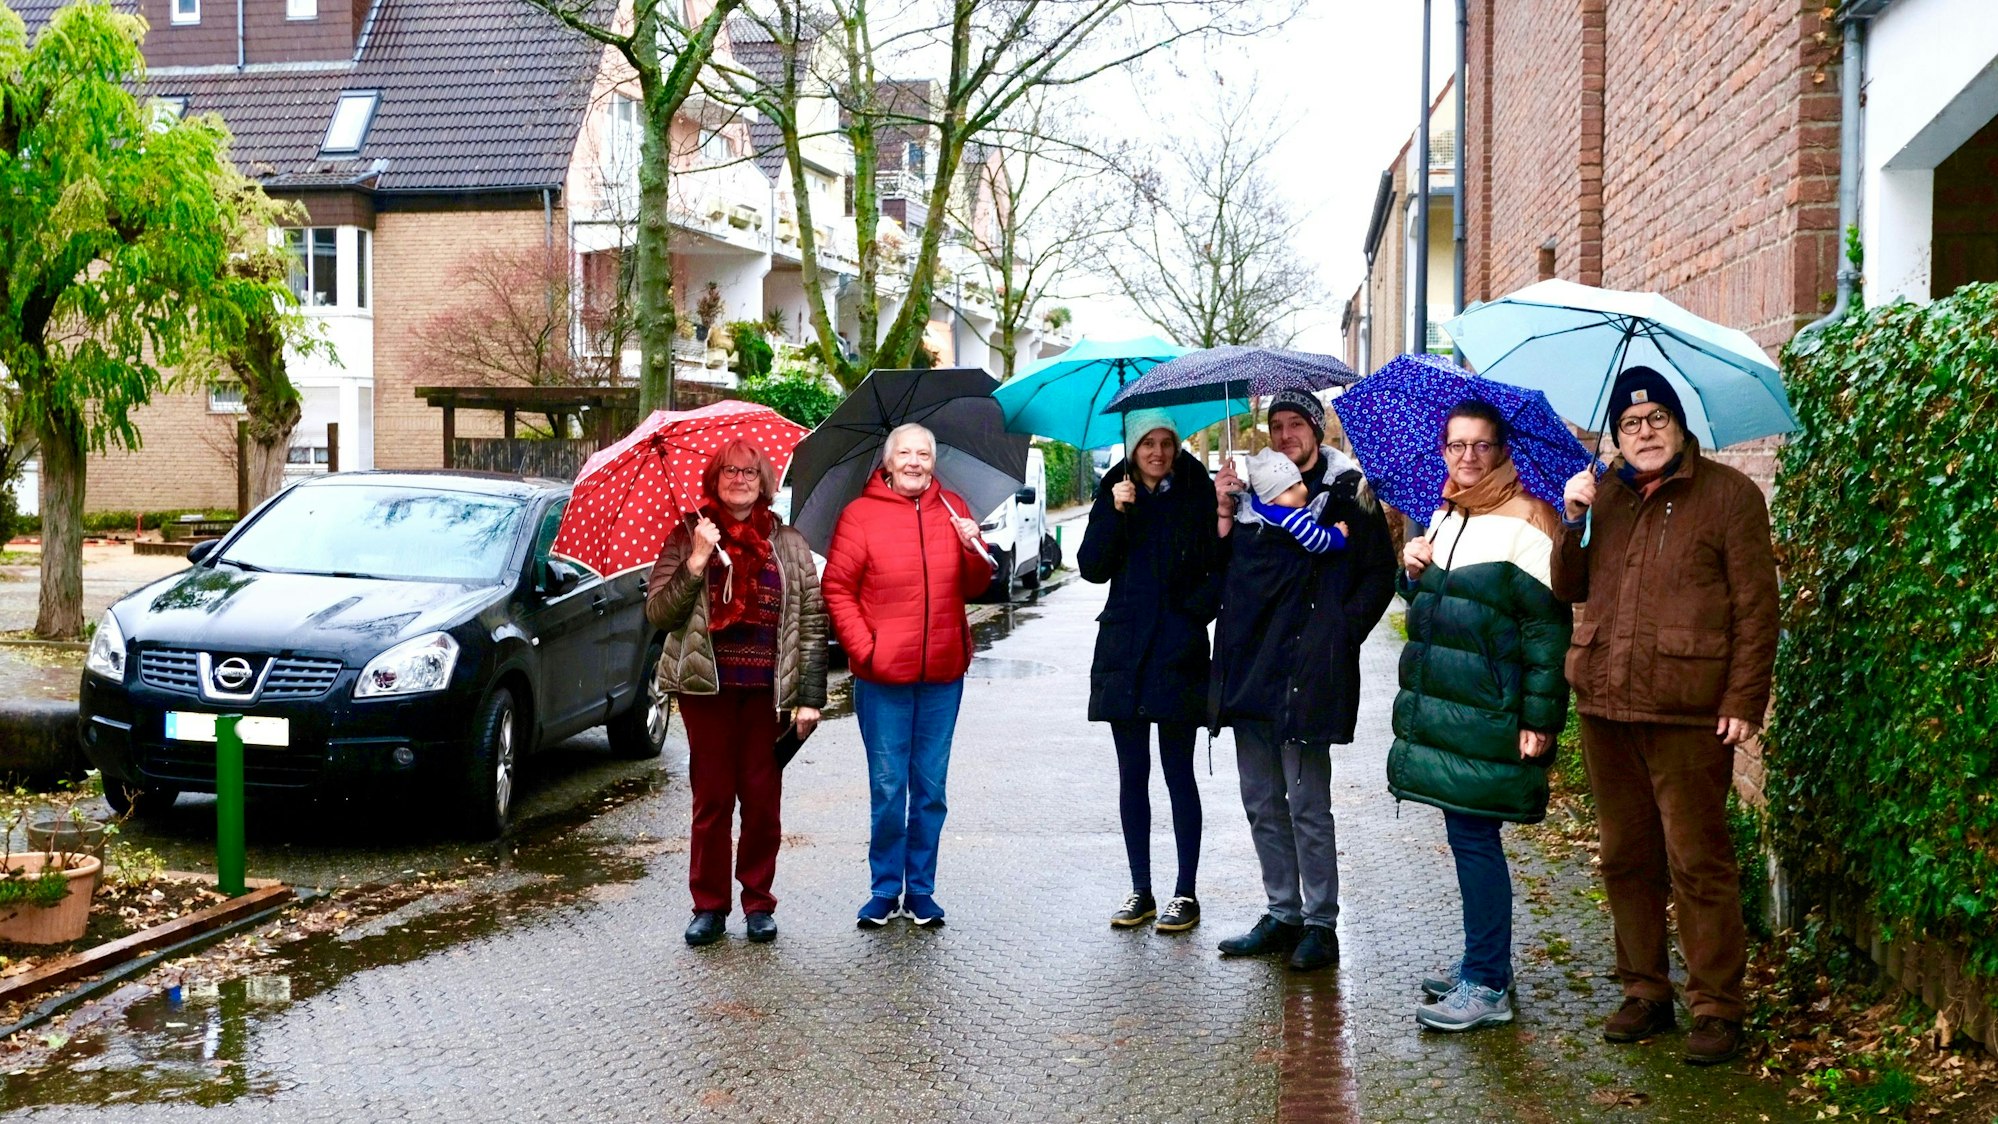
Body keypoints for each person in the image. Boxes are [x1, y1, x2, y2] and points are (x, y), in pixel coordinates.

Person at [1555, 365, 1779, 1066]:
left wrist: (1744, 701)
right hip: (1607, 705)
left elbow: (1756, 607)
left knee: (1698, 860)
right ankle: (1646, 991)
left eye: (1656, 422)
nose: (1644, 434)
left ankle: (1716, 1005)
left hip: (1689, 711)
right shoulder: (1607, 497)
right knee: (1626, 857)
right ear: (1615, 436)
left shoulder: (1730, 497)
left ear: (1681, 427)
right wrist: (1573, 518)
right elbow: (1568, 585)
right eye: (1630, 425)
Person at [1389, 400, 1571, 1032]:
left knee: (1475, 841)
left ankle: (1488, 982)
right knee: (1469, 839)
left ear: (1502, 452)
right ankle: (1484, 963)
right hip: (1453, 714)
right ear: (1444, 451)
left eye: (1481, 446)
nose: (1467, 457)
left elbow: (1548, 632)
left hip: (1492, 714)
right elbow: (1441, 617)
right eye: (1456, 445)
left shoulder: (1528, 521)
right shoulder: (1446, 515)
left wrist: (1541, 720)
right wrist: (1412, 572)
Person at [1209, 388, 1397, 972]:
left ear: (1317, 429)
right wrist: (1219, 507)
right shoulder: (1250, 498)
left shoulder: (1349, 491)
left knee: (1307, 803)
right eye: (1277, 425)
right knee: (1261, 800)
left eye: (1296, 424)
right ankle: (1281, 911)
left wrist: (1340, 636)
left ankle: (1320, 923)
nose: (1286, 434)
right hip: (1251, 669)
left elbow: (1378, 575)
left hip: (1309, 671)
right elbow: (1217, 575)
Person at [645, 440, 827, 947]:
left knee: (763, 802)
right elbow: (659, 614)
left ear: (765, 480)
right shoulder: (688, 535)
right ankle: (708, 906)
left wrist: (809, 697)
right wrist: (698, 561)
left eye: (750, 471)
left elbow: (811, 621)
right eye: (729, 471)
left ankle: (758, 903)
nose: (740, 479)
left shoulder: (787, 542)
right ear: (714, 478)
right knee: (713, 800)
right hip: (707, 690)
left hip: (768, 694)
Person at [822, 422, 994, 929]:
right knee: (889, 786)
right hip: (882, 680)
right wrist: (866, 650)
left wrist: (972, 545)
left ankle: (920, 890)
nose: (915, 461)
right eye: (905, 453)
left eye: (923, 453)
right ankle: (882, 889)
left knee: (931, 788)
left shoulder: (954, 509)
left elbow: (979, 583)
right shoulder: (859, 515)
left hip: (943, 673)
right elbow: (837, 589)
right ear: (889, 461)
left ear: (933, 461)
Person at [1077, 409, 1223, 933]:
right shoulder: (1114, 491)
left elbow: (1216, 567)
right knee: (1132, 772)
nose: (1158, 452)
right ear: (1133, 448)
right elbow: (1092, 567)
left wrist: (1191, 615)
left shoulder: (1197, 490)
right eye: (1147, 444)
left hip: (1178, 651)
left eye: (1166, 442)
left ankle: (1186, 892)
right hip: (1124, 650)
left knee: (1178, 770)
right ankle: (1141, 888)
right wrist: (1115, 513)